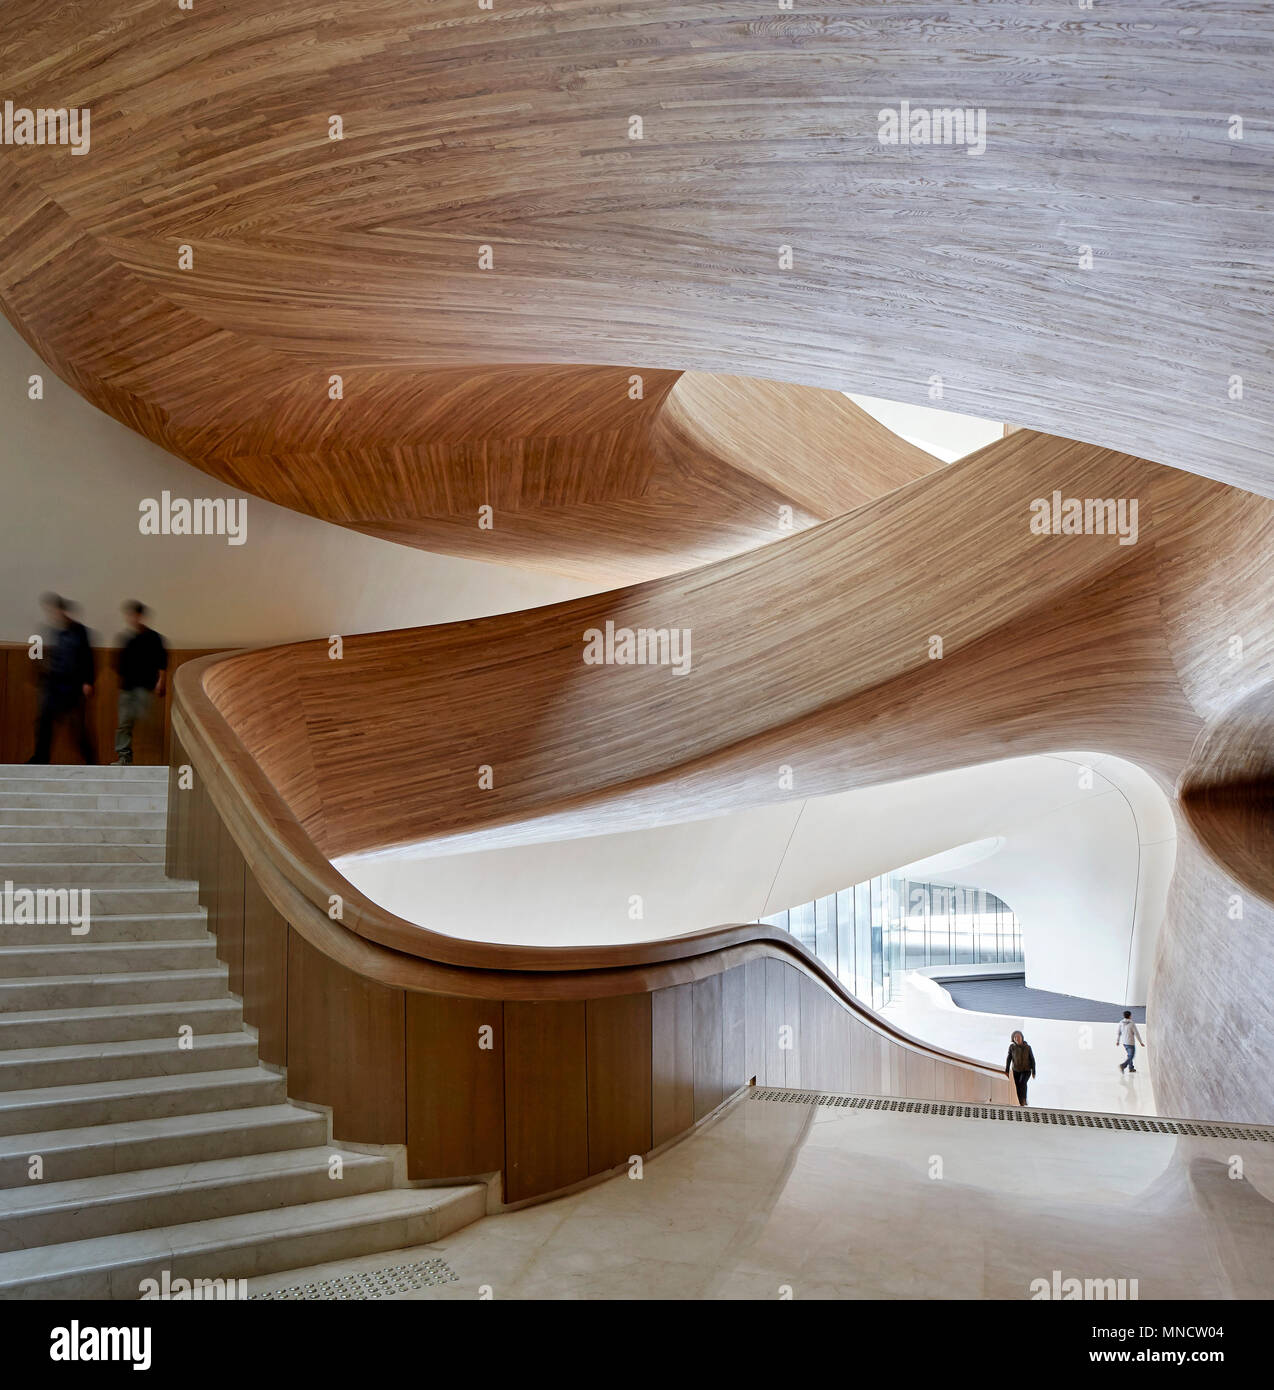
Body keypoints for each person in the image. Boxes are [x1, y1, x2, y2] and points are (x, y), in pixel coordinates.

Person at [28, 593, 96, 765]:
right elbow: (41, 655)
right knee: (44, 722)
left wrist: (88, 682)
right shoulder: (52, 632)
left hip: (73, 685)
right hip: (53, 684)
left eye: (56, 611)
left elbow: (88, 658)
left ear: (63, 611)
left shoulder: (79, 631)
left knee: (78, 729)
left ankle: (91, 762)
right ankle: (40, 758)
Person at [113, 601, 168, 765]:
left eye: (136, 615)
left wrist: (161, 681)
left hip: (145, 687)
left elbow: (162, 663)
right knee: (124, 724)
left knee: (148, 724)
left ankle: (158, 759)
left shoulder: (154, 638)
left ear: (141, 616)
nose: (133, 619)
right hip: (127, 688)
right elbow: (120, 664)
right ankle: (124, 758)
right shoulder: (127, 639)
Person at [1005, 1029, 1036, 1107]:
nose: (1017, 1039)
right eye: (1015, 1037)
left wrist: (1034, 1071)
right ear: (1013, 1039)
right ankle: (1020, 1102)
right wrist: (1007, 1070)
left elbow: (1032, 1059)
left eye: (1018, 1037)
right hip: (1016, 1070)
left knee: (1022, 1083)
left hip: (1026, 1070)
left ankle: (1024, 1099)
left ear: (1022, 1037)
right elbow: (1009, 1058)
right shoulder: (1012, 1047)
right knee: (1017, 1086)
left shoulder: (1028, 1047)